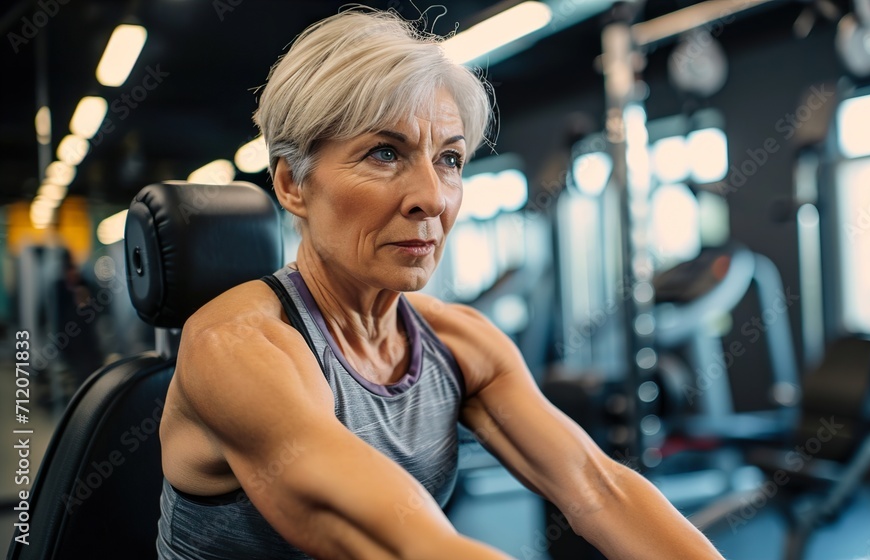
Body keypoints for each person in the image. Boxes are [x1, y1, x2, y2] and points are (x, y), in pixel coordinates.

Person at [156, 8, 725, 560]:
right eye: (384, 153)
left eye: (450, 159)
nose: (432, 196)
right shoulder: (233, 347)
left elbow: (599, 489)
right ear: (292, 185)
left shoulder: (459, 344)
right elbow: (402, 541)